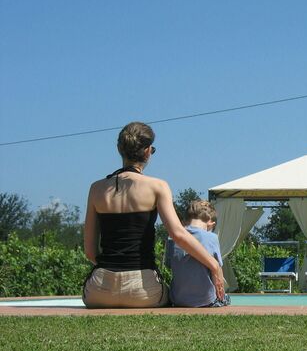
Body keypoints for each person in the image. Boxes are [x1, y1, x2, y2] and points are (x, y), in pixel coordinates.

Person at [83, 122, 225, 308]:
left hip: (99, 290)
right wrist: (214, 265)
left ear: (119, 149)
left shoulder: (96, 189)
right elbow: (178, 235)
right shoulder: (157, 187)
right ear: (148, 151)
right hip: (143, 290)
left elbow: (90, 252)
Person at [169, 200, 231, 307]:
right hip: (206, 301)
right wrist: (221, 295)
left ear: (185, 220)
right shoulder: (211, 237)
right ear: (211, 224)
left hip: (178, 299)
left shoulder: (172, 238)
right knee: (225, 297)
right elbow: (218, 271)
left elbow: (171, 265)